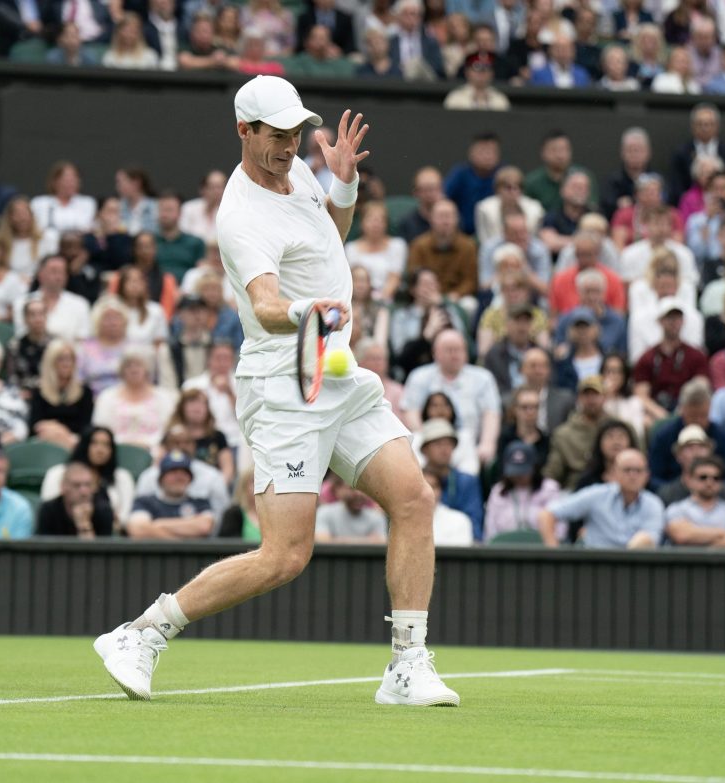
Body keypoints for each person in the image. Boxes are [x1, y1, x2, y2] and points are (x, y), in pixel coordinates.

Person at [95, 76, 459, 707]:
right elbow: (264, 306)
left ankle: (408, 666)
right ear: (244, 131)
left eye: (295, 132)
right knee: (285, 556)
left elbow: (330, 237)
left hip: (337, 371)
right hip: (284, 381)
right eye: (275, 134)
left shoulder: (298, 173)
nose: (289, 145)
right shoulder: (240, 216)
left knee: (414, 499)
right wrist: (308, 311)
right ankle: (142, 633)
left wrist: (341, 182)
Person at [401, 330, 501, 465]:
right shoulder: (419, 376)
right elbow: (410, 411)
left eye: (459, 349)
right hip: (430, 443)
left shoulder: (483, 378)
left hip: (469, 444)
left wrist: (487, 444)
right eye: (449, 350)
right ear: (435, 353)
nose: (455, 354)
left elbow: (491, 413)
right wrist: (426, 440)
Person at [540, 449, 664, 549]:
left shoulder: (654, 504)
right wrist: (553, 551)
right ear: (615, 473)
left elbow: (650, 539)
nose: (633, 476)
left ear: (647, 475)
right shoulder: (596, 494)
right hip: (594, 570)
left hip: (635, 571)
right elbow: (548, 514)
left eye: (638, 470)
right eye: (627, 470)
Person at [647, 378, 725, 490]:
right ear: (682, 410)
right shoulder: (664, 436)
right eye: (693, 416)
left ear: (710, 409)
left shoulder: (721, 436)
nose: (698, 421)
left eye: (703, 415)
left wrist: (711, 488)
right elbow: (653, 478)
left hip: (713, 494)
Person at [41, 426, 136, 525]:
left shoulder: (122, 477)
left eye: (106, 445)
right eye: (94, 443)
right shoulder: (58, 473)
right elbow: (48, 505)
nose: (100, 450)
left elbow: (125, 516)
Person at [631, 296, 709, 416]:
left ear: (683, 321)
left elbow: (701, 387)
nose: (674, 322)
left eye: (678, 318)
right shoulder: (647, 358)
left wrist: (684, 410)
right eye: (669, 318)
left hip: (688, 411)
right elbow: (641, 395)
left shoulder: (696, 356)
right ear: (660, 321)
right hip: (656, 413)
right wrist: (660, 414)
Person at [91, 349, 178, 451]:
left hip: (155, 450)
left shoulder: (163, 397)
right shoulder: (107, 397)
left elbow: (169, 429)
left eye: (138, 365)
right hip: (115, 450)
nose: (134, 369)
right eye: (128, 366)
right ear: (122, 371)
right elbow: (101, 429)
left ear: (147, 369)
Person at [663, 455, 725, 548]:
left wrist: (703, 547)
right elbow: (681, 535)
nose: (709, 482)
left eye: (716, 478)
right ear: (689, 480)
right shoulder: (676, 508)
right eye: (703, 477)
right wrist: (724, 533)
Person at [418, 418, 484, 542]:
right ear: (424, 449)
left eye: (448, 444)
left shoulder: (468, 481)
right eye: (438, 444)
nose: (444, 449)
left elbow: (475, 523)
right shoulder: (413, 480)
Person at [543, 375, 612, 491]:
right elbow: (553, 471)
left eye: (595, 394)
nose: (591, 400)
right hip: (575, 489)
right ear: (579, 398)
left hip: (611, 487)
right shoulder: (563, 434)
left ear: (605, 397)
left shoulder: (618, 429)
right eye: (586, 395)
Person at [484, 440, 561, 542]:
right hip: (505, 550)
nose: (519, 476)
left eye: (524, 471)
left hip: (542, 550)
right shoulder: (498, 491)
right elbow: (490, 530)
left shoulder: (550, 488)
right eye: (515, 472)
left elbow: (560, 529)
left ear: (534, 468)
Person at [30, 339, 95, 452]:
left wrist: (62, 433)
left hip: (76, 443)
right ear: (50, 362)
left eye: (70, 359)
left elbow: (86, 428)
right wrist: (60, 434)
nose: (66, 363)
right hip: (46, 443)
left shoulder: (85, 391)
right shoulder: (39, 391)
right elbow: (35, 426)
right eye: (61, 359)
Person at [669, 104, 725, 203]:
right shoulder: (681, 153)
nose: (705, 128)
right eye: (700, 124)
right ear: (692, 126)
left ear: (717, 126)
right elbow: (676, 185)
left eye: (709, 124)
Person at [345, 202, 406, 303]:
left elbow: (394, 278)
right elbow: (350, 281)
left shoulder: (397, 245)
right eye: (371, 219)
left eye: (380, 220)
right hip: (356, 302)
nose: (376, 224)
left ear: (386, 223)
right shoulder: (350, 248)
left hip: (385, 302)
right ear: (362, 223)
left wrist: (379, 302)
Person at [37, 461, 115, 538]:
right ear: (63, 487)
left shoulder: (104, 510)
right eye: (76, 485)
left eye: (88, 485)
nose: (84, 491)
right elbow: (42, 547)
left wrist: (84, 524)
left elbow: (100, 549)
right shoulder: (48, 510)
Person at [474, 166, 544, 248]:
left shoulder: (535, 209)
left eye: (517, 187)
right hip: (494, 252)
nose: (513, 192)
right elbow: (485, 241)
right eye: (508, 188)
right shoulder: (484, 209)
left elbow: (534, 240)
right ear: (497, 189)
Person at [315, 473, 388, 543]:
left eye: (364, 489)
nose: (359, 494)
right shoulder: (324, 513)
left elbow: (381, 543)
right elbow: (322, 541)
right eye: (352, 488)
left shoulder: (376, 517)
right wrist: (369, 541)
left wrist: (335, 540)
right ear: (338, 489)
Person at [31, 161, 97, 237]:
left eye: (74, 179)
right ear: (54, 182)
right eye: (66, 179)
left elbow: (90, 229)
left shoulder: (88, 203)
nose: (71, 183)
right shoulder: (39, 203)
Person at [575, 419, 639, 492]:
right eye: (610, 436)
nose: (616, 442)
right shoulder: (588, 481)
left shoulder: (640, 479)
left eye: (621, 437)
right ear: (599, 443)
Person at [442, 51, 510, 110]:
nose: (482, 72)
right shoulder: (455, 98)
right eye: (476, 68)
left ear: (492, 73)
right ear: (467, 72)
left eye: (486, 68)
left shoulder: (500, 99)